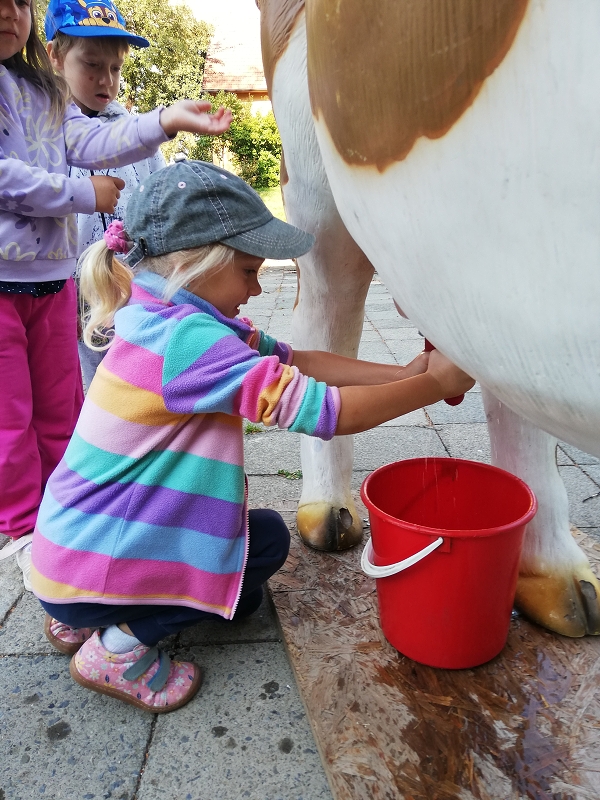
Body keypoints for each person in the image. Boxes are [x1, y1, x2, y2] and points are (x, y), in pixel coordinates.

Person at [29, 159, 474, 714]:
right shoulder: (189, 342)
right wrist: (433, 387)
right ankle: (116, 649)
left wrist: (407, 376)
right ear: (196, 263)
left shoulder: (161, 310)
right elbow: (327, 411)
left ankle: (81, 614)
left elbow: (300, 361)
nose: (258, 286)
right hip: (93, 562)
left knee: (248, 564)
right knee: (261, 547)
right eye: (248, 270)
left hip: (67, 556)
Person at [0, 0, 232, 591]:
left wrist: (165, 120)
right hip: (11, 285)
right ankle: (29, 532)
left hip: (51, 282)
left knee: (63, 410)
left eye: (19, 2)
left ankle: (72, 511)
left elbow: (101, 143)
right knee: (10, 419)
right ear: (59, 54)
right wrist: (85, 194)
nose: (10, 13)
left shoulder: (40, 94)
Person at [44, 0, 167, 389]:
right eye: (92, 65)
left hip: (133, 292)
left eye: (115, 68)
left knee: (137, 390)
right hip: (72, 299)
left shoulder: (135, 134)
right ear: (56, 58)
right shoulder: (44, 135)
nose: (106, 80)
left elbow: (159, 202)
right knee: (82, 393)